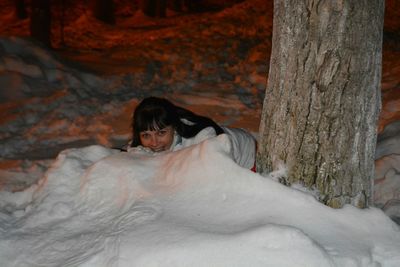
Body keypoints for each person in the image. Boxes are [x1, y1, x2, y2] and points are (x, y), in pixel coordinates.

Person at [128, 97, 257, 171]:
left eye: (161, 133)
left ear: (174, 127)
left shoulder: (204, 138)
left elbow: (214, 174)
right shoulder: (144, 143)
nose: (154, 142)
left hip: (247, 156)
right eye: (146, 135)